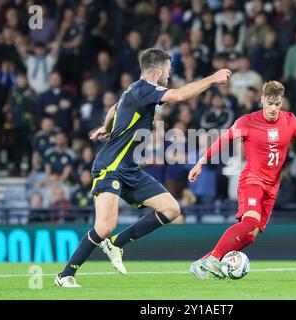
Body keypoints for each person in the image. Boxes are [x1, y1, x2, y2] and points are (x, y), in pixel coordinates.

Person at [55, 48, 231, 287]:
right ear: (157, 71)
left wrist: (106, 127)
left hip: (129, 169)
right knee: (105, 225)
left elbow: (113, 109)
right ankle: (65, 275)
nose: (168, 76)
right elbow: (178, 96)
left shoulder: (134, 90)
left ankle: (116, 244)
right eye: (168, 71)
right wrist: (212, 79)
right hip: (111, 166)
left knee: (171, 209)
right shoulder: (144, 89)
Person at [188, 81, 296, 279]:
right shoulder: (247, 121)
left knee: (250, 235)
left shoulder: (290, 121)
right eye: (270, 103)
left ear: (282, 103)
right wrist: (200, 162)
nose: (273, 108)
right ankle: (214, 260)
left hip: (272, 187)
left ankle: (204, 262)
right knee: (249, 222)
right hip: (252, 180)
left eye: (277, 104)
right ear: (262, 99)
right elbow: (223, 140)